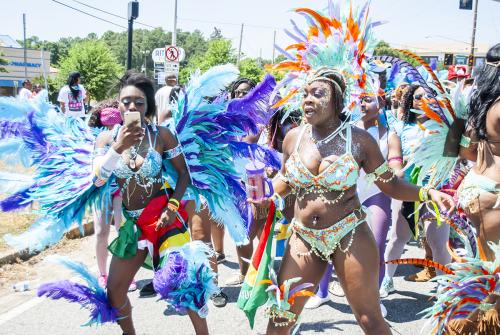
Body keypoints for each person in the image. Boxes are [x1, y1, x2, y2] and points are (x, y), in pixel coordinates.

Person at [92, 71, 208, 335]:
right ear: (118, 104)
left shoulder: (162, 135)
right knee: (115, 290)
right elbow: (98, 180)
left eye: (139, 102)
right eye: (126, 101)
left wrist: (173, 206)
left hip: (164, 219)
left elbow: (183, 174)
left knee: (186, 283)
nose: (132, 107)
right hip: (133, 224)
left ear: (148, 107)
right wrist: (118, 147)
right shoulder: (106, 140)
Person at [305, 90, 404, 317]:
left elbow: (395, 167)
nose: (362, 104)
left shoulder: (390, 135)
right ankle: (322, 293)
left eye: (368, 99)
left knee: (377, 245)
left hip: (376, 193)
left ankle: (374, 297)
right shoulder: (344, 130)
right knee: (327, 242)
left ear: (381, 103)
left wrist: (397, 173)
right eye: (359, 99)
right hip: (346, 194)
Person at [380, 85, 452, 298]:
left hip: (438, 191)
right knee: (397, 238)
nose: (423, 100)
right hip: (409, 191)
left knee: (438, 243)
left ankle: (443, 286)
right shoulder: (401, 128)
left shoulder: (445, 128)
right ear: (410, 101)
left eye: (429, 96)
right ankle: (387, 279)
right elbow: (395, 160)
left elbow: (456, 157)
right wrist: (400, 172)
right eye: (418, 96)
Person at [88, 99, 137, 291]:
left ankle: (125, 274)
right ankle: (103, 274)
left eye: (115, 122)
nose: (111, 126)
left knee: (122, 229)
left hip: (120, 188)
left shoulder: (125, 136)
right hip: (100, 191)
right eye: (107, 123)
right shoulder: (98, 138)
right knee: (101, 232)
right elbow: (96, 172)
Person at [458, 43, 500, 261]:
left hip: (476, 186)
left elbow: (466, 151)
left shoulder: (481, 105)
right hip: (494, 195)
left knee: (488, 270)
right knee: (494, 277)